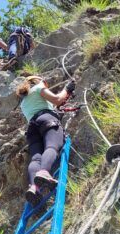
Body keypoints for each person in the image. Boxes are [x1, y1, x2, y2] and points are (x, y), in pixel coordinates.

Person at [16, 76, 75, 206]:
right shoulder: (38, 87)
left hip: (32, 128)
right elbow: (57, 100)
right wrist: (67, 89)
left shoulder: (24, 102)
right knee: (52, 147)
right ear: (39, 81)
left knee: (36, 159)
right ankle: (44, 172)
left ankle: (34, 188)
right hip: (46, 119)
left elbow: (49, 105)